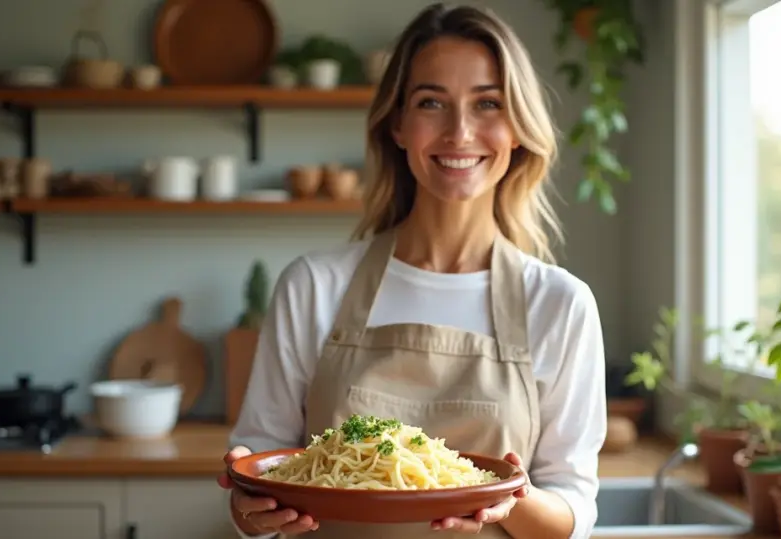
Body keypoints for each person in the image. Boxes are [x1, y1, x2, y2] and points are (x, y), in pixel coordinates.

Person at [217, 3, 606, 538]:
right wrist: (247, 510)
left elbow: (573, 509)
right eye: (431, 102)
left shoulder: (560, 303)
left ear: (517, 128)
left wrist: (508, 498)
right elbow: (259, 469)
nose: (460, 131)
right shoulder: (314, 286)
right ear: (397, 125)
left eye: (488, 103)